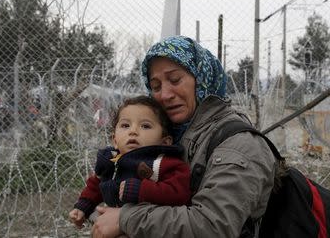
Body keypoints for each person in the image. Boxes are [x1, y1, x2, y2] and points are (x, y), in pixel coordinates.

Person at [92, 36, 277, 238]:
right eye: (156, 87)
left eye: (175, 80)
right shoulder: (169, 136)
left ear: (201, 77)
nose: (165, 95)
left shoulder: (238, 144)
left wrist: (125, 219)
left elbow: (212, 227)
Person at [69, 95, 191, 229]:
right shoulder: (111, 161)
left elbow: (180, 194)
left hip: (150, 228)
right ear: (115, 140)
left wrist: (141, 190)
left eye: (145, 126)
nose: (133, 131)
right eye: (125, 125)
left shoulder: (163, 163)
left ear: (165, 141)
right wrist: (84, 206)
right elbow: (96, 185)